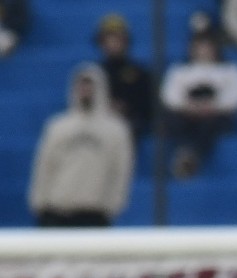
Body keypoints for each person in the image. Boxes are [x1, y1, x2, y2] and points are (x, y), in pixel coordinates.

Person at [29, 63, 134, 227]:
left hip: (94, 211)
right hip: (57, 209)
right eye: (81, 85)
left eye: (90, 85)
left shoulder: (116, 129)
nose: (85, 90)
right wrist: (39, 201)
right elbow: (44, 165)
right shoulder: (57, 126)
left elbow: (121, 169)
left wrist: (114, 205)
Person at [161, 25, 237, 178]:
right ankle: (185, 154)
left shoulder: (231, 71)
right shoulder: (179, 71)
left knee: (210, 124)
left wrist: (212, 107)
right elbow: (169, 97)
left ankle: (189, 156)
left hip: (218, 115)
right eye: (199, 46)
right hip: (185, 113)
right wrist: (190, 107)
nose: (203, 51)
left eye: (207, 46)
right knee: (173, 121)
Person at [95, 12, 155, 137]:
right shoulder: (94, 73)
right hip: (99, 124)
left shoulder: (140, 73)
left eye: (117, 38)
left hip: (131, 125)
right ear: (101, 43)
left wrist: (126, 108)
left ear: (126, 41)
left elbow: (148, 107)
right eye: (109, 39)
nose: (113, 43)